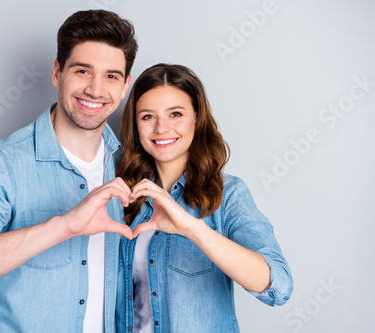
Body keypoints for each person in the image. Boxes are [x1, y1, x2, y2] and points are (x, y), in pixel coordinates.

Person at [0, 10, 138, 332]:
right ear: (57, 72)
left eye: (111, 76)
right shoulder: (5, 163)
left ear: (125, 86)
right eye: (83, 71)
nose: (96, 90)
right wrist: (63, 227)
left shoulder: (131, 165)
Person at [115, 63, 293, 332]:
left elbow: (278, 286)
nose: (161, 128)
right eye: (148, 117)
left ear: (196, 119)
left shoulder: (228, 194)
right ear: (136, 126)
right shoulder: (125, 197)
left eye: (175, 114)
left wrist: (191, 228)